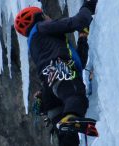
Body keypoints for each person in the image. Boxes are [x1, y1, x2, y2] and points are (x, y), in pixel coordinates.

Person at [14, 0, 98, 145]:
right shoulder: (41, 27)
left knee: (66, 134)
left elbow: (79, 63)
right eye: (45, 15)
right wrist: (87, 6)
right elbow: (78, 21)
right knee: (76, 95)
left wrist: (83, 38)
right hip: (60, 72)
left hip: (50, 89)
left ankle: (66, 130)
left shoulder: (37, 44)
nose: (49, 18)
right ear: (39, 18)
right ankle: (69, 119)